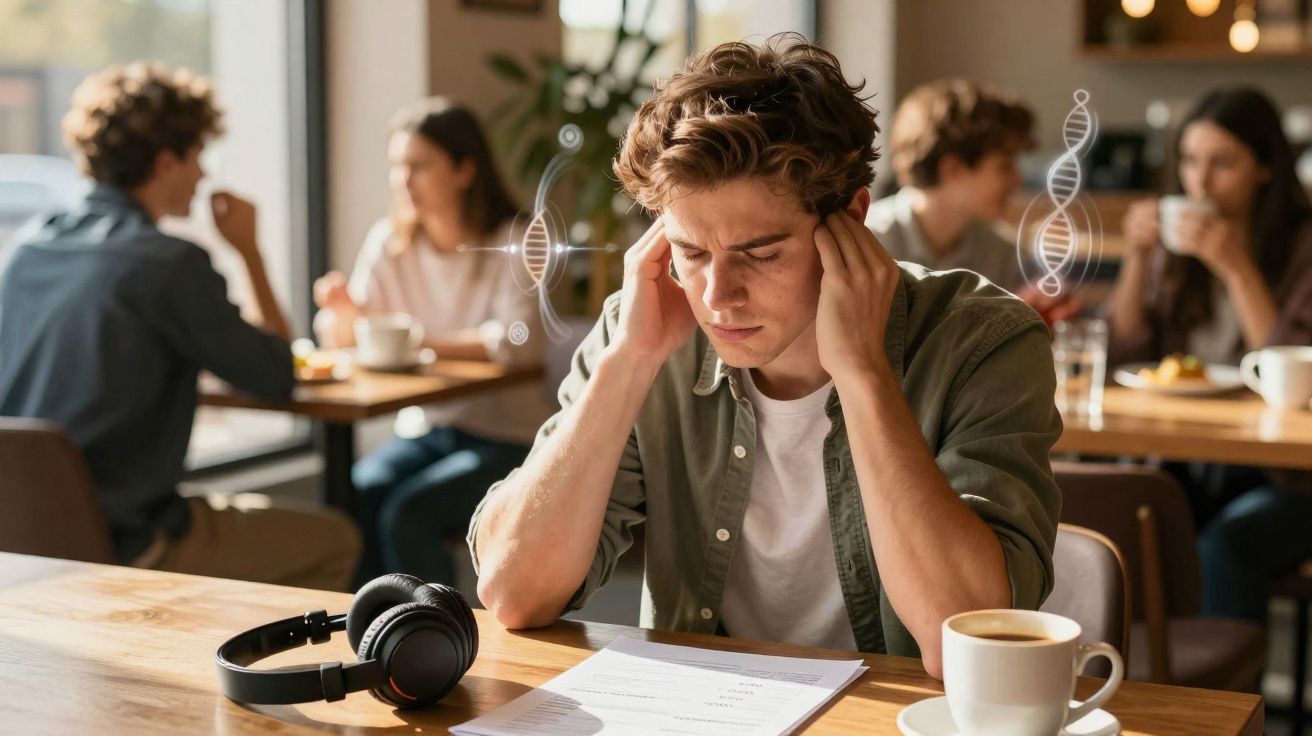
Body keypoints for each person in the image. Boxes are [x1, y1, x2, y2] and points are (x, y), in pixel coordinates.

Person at [469, 35, 1062, 679]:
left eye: (760, 252)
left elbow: (963, 645)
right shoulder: (643, 324)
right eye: (691, 253)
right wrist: (627, 363)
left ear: (852, 221)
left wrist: (862, 375)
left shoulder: (985, 341)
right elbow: (513, 592)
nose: (718, 297)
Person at [0, 62, 359, 590]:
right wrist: (250, 251)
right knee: (337, 539)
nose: (202, 176)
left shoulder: (29, 249)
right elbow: (276, 371)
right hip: (127, 541)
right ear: (167, 162)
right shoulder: (168, 264)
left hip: (25, 540)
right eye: (196, 158)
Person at [312, 97, 554, 587]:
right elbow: (347, 339)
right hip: (427, 429)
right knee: (361, 489)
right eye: (397, 166)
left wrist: (414, 341)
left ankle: (436, 636)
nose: (403, 181)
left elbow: (518, 342)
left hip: (507, 436)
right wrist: (341, 314)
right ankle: (375, 629)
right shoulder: (390, 242)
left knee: (408, 512)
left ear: (465, 170)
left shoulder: (517, 237)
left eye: (419, 166)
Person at [1106, 86, 1312, 623]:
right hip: (1187, 458)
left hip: (1285, 475)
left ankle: (1224, 702)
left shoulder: (1303, 247)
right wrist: (1137, 257)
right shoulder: (1174, 253)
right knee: (1115, 529)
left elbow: (1294, 369)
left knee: (1225, 548)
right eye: (1191, 161)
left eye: (1222, 163)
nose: (1199, 182)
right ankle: (1134, 687)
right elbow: (1124, 351)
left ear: (1265, 169)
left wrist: (1236, 267)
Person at [867, 79, 1081, 325]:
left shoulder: (1000, 252)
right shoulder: (870, 243)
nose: (1018, 179)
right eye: (1004, 166)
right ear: (953, 169)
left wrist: (1027, 318)